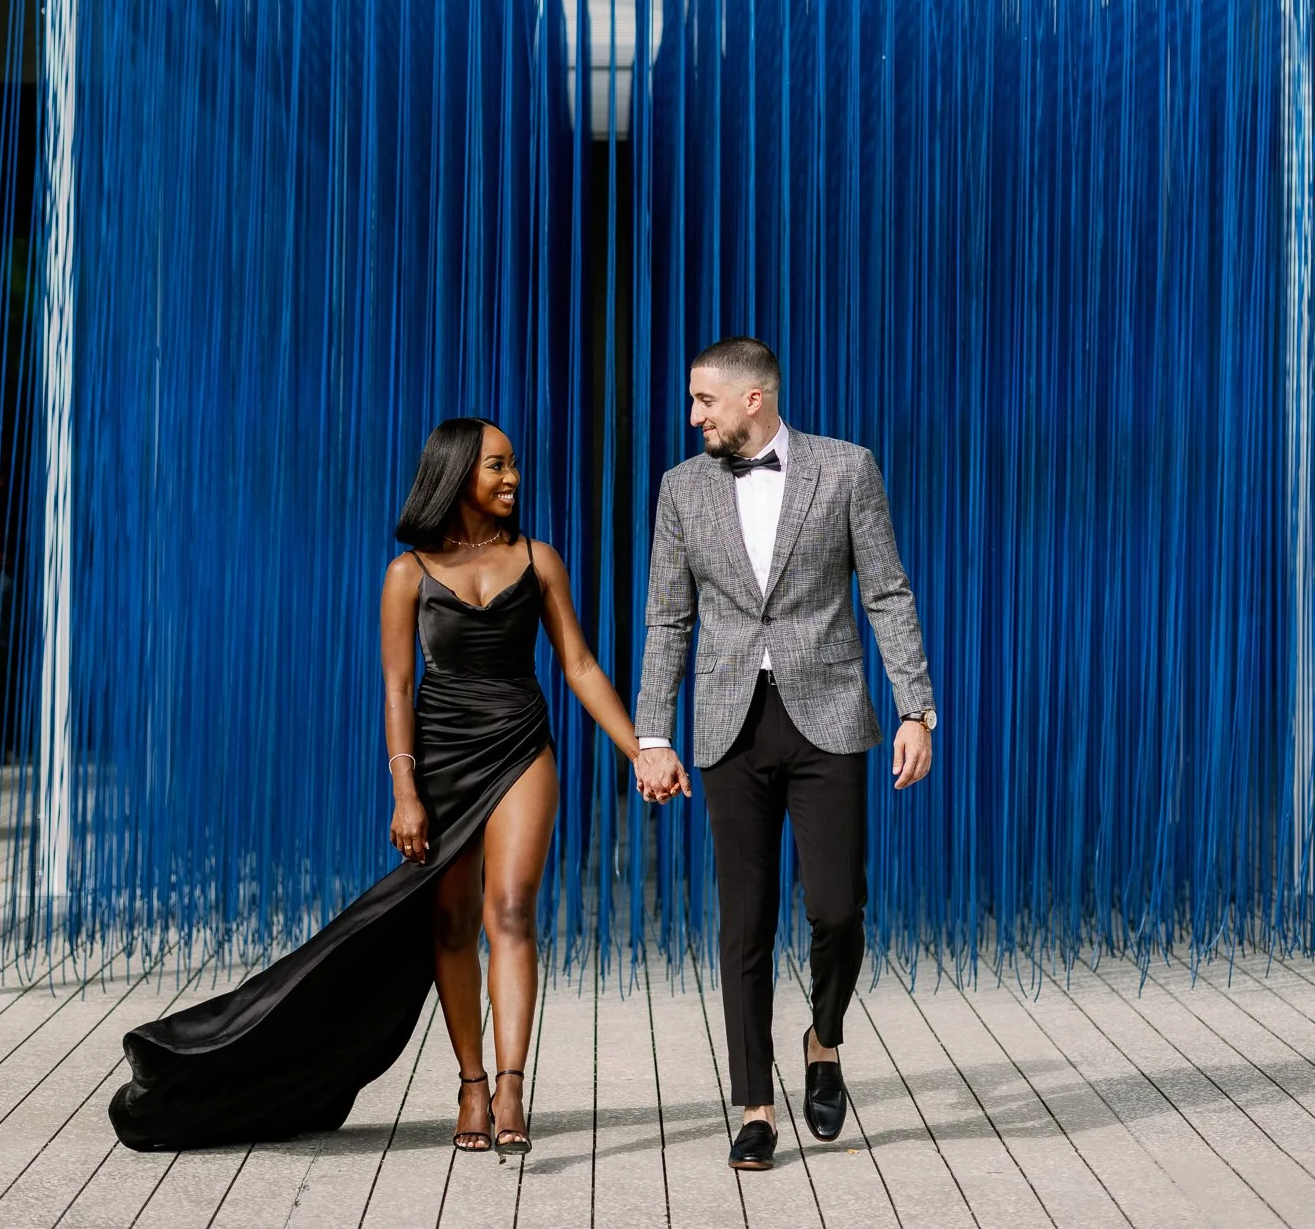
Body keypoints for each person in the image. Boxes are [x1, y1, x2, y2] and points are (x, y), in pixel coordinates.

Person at [110, 416, 642, 1154]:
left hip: (522, 746)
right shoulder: (406, 575)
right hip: (443, 758)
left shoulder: (539, 559)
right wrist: (405, 791)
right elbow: (397, 689)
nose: (513, 477)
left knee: (512, 910)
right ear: (457, 474)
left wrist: (642, 750)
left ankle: (514, 1081)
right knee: (451, 924)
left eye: (513, 464)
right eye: (496, 466)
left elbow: (580, 666)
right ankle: (470, 1084)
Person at [632, 337, 935, 1171]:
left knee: (838, 908)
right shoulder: (681, 489)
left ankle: (824, 1038)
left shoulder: (846, 469)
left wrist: (917, 709)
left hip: (829, 716)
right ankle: (755, 1104)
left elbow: (886, 590)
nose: (693, 416)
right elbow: (668, 619)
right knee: (745, 923)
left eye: (704, 401)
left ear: (753, 399)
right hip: (730, 723)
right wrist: (651, 736)